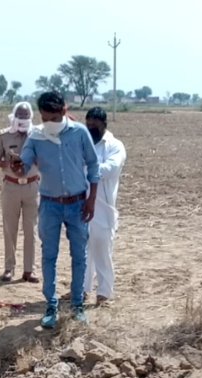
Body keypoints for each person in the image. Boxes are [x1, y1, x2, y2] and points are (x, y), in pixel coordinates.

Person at [17, 91, 100, 328]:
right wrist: (17, 165)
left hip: (78, 203)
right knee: (49, 256)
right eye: (45, 118)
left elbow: (93, 165)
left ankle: (77, 305)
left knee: (79, 256)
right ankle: (51, 306)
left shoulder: (79, 132)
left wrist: (91, 199)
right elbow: (24, 165)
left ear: (64, 111)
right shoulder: (37, 136)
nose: (50, 123)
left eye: (54, 118)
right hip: (50, 204)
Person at [0, 101, 40, 283]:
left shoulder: (38, 136)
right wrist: (6, 164)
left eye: (26, 117)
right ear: (14, 116)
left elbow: (45, 160)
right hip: (11, 186)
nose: (23, 121)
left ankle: (29, 270)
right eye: (20, 117)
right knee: (9, 229)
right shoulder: (3, 136)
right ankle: (9, 268)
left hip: (32, 186)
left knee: (31, 230)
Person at [83, 107, 127, 306]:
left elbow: (108, 169)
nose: (91, 128)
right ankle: (81, 290)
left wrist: (84, 168)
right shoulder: (82, 143)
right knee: (82, 251)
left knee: (101, 250)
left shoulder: (115, 146)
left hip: (103, 207)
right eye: (88, 124)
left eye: (95, 125)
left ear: (104, 124)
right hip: (80, 203)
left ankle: (104, 293)